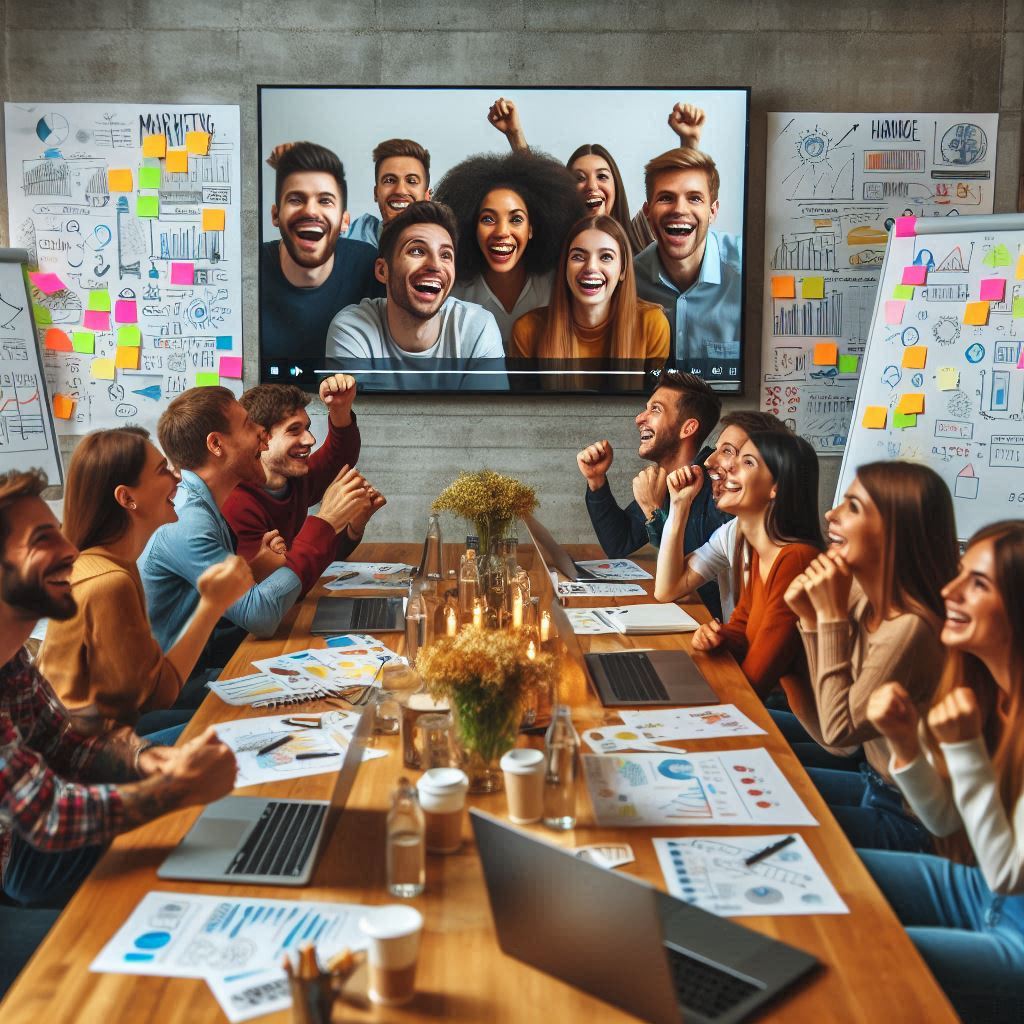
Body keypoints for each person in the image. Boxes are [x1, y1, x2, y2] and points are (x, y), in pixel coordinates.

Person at [0, 469, 237, 991]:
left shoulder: (12, 658)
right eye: (44, 539)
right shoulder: (107, 579)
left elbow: (68, 740)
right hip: (23, 872)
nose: (69, 548)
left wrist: (146, 761)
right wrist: (176, 788)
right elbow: (49, 816)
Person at [860, 521, 1024, 1024]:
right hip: (980, 891)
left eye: (978, 583)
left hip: (1014, 933)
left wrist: (964, 749)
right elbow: (945, 822)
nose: (950, 590)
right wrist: (907, 746)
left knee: (863, 958)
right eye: (958, 573)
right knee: (823, 883)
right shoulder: (987, 690)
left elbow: (1009, 872)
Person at [776, 463, 957, 851]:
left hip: (912, 821)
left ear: (895, 532)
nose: (831, 514)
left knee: (779, 832)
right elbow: (836, 743)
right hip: (871, 781)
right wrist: (810, 620)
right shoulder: (857, 592)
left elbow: (839, 731)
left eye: (852, 507)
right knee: (761, 792)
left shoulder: (910, 627)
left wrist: (825, 618)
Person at [37, 428, 253, 739]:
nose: (177, 478)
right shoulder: (109, 582)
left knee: (233, 714)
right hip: (84, 753)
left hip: (106, 729)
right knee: (235, 732)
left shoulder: (110, 564)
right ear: (127, 498)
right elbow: (158, 694)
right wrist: (212, 604)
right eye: (162, 470)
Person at [140, 387, 314, 669]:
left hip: (193, 671)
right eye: (248, 424)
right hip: (164, 692)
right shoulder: (189, 521)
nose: (262, 432)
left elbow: (212, 601)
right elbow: (261, 616)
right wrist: (321, 529)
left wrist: (254, 569)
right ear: (216, 445)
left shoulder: (203, 505)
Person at [576, 369, 729, 618]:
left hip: (710, 631)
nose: (639, 418)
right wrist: (596, 481)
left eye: (655, 409)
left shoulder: (717, 487)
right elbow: (620, 542)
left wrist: (654, 511)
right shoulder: (666, 479)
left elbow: (695, 580)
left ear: (687, 428)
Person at [689, 431, 823, 698]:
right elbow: (741, 631)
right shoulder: (761, 550)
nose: (729, 468)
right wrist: (717, 637)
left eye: (747, 462)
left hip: (808, 723)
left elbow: (754, 684)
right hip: (755, 700)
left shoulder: (795, 560)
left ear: (776, 487)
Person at [223, 374, 384, 595]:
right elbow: (278, 592)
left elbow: (339, 456)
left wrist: (340, 409)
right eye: (294, 430)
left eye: (306, 428)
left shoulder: (295, 477)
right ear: (259, 439)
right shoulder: (237, 505)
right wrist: (327, 519)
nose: (310, 439)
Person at [487, 96, 707, 254]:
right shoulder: (559, 242)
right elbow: (538, 187)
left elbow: (679, 200)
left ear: (616, 187)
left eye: (602, 177)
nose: (592, 186)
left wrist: (689, 143)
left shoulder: (635, 236)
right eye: (579, 178)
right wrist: (515, 135)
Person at [326, 201, 507, 391]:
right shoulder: (351, 330)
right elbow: (361, 418)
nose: (435, 265)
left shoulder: (478, 328)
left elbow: (487, 419)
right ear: (382, 270)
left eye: (445, 255)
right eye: (417, 251)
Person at [432, 149, 584, 343]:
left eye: (516, 219)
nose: (502, 232)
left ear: (531, 228)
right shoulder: (455, 294)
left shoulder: (557, 286)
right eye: (488, 219)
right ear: (472, 228)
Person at [654, 410, 790, 621]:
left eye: (727, 451)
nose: (708, 461)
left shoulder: (789, 550)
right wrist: (680, 504)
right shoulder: (731, 532)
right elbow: (667, 589)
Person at [260, 141, 382, 363]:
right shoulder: (251, 268)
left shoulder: (367, 265)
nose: (310, 211)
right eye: (296, 199)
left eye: (325, 200)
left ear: (345, 221)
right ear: (275, 215)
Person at [509, 214, 669, 368]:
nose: (591, 267)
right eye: (578, 257)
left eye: (606, 257)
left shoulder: (652, 324)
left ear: (622, 270)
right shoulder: (527, 331)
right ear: (564, 267)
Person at [634, 147, 742, 372]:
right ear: (647, 212)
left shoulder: (749, 272)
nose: (679, 209)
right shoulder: (628, 282)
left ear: (712, 211)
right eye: (666, 198)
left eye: (694, 198)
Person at [346, 138, 432, 248]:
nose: (400, 190)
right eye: (390, 180)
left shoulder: (443, 245)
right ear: (376, 193)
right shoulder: (353, 238)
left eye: (411, 181)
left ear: (427, 196)